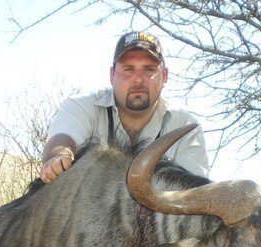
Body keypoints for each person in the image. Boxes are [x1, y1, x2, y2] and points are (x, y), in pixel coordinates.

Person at [40, 31, 209, 183]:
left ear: (164, 76)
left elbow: (194, 195)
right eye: (128, 69)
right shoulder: (80, 107)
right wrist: (58, 157)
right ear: (112, 75)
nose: (138, 79)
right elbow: (62, 138)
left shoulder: (187, 128)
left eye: (149, 69)